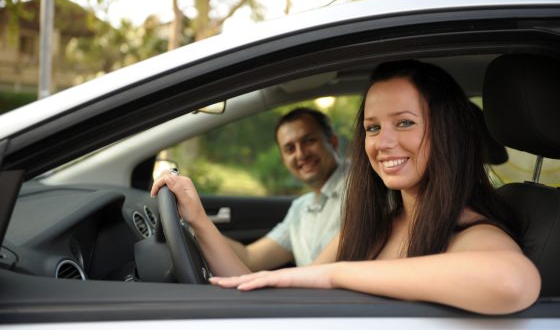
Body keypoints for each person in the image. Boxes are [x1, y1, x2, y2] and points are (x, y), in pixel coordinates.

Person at [204, 60, 541, 315]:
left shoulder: (469, 232)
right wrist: (196, 220)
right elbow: (284, 290)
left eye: (405, 123)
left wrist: (338, 275)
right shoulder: (372, 226)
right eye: (373, 127)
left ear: (446, 132)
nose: (383, 142)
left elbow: (514, 282)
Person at [151, 107, 346, 275]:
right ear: (284, 159)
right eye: (289, 149)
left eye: (309, 140)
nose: (301, 154)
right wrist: (191, 224)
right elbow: (250, 258)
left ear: (333, 142)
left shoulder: (363, 190)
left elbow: (315, 279)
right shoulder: (300, 209)